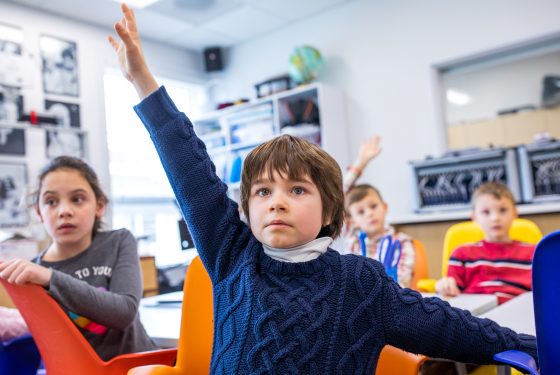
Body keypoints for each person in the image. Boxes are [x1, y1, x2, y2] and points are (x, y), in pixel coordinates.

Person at [109, 4, 537, 372]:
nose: (276, 202)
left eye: (297, 190)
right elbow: (191, 173)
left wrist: (530, 346)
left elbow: (449, 326)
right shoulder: (231, 254)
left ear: (331, 212)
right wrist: (144, 83)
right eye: (262, 192)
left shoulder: (360, 282)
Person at [0, 156, 156, 360]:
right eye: (51, 202)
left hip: (141, 367)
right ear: (39, 212)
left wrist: (50, 278)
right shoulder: (32, 272)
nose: (64, 211)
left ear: (99, 206)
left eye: (77, 199)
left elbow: (124, 312)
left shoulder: (119, 241)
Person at [435, 182, 535, 304]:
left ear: (515, 213)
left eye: (503, 210)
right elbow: (452, 296)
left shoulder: (534, 254)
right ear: (474, 217)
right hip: (475, 315)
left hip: (519, 311)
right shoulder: (462, 254)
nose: (495, 218)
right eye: (486, 212)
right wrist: (445, 287)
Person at [342, 137, 416, 288]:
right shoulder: (353, 238)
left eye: (373, 206)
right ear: (352, 220)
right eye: (361, 212)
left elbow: (401, 283)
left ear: (385, 207)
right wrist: (361, 163)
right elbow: (335, 197)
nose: (369, 214)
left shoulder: (401, 242)